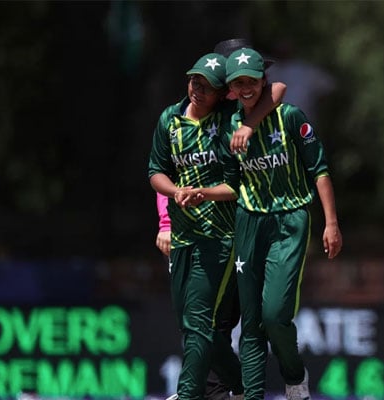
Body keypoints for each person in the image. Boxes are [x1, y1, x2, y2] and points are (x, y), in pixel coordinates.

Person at [180, 48, 343, 400]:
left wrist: (331, 223)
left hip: (289, 220)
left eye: (252, 81)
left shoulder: (289, 117)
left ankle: (294, 374)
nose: (247, 88)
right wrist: (201, 193)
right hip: (249, 220)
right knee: (250, 324)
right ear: (232, 89)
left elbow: (320, 171)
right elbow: (228, 181)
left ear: (261, 80)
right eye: (239, 83)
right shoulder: (227, 125)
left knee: (274, 316)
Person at [148, 49, 285, 400]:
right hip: (182, 236)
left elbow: (278, 89)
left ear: (221, 93)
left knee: (203, 324)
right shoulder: (169, 120)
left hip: (221, 238)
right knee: (192, 324)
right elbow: (157, 173)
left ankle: (188, 394)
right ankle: (240, 387)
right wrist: (175, 198)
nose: (198, 89)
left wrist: (204, 193)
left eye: (207, 86)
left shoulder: (228, 120)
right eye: (195, 81)